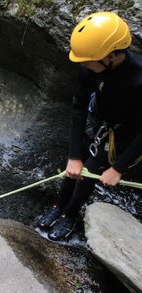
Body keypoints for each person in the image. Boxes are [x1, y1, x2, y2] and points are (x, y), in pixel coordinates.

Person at [37, 11, 142, 240]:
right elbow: (78, 106)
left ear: (111, 55)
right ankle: (60, 205)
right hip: (98, 120)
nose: (83, 64)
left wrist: (118, 168)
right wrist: (74, 155)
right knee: (74, 169)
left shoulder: (138, 78)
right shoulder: (90, 66)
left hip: (124, 132)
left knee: (89, 173)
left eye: (87, 60)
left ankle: (70, 215)